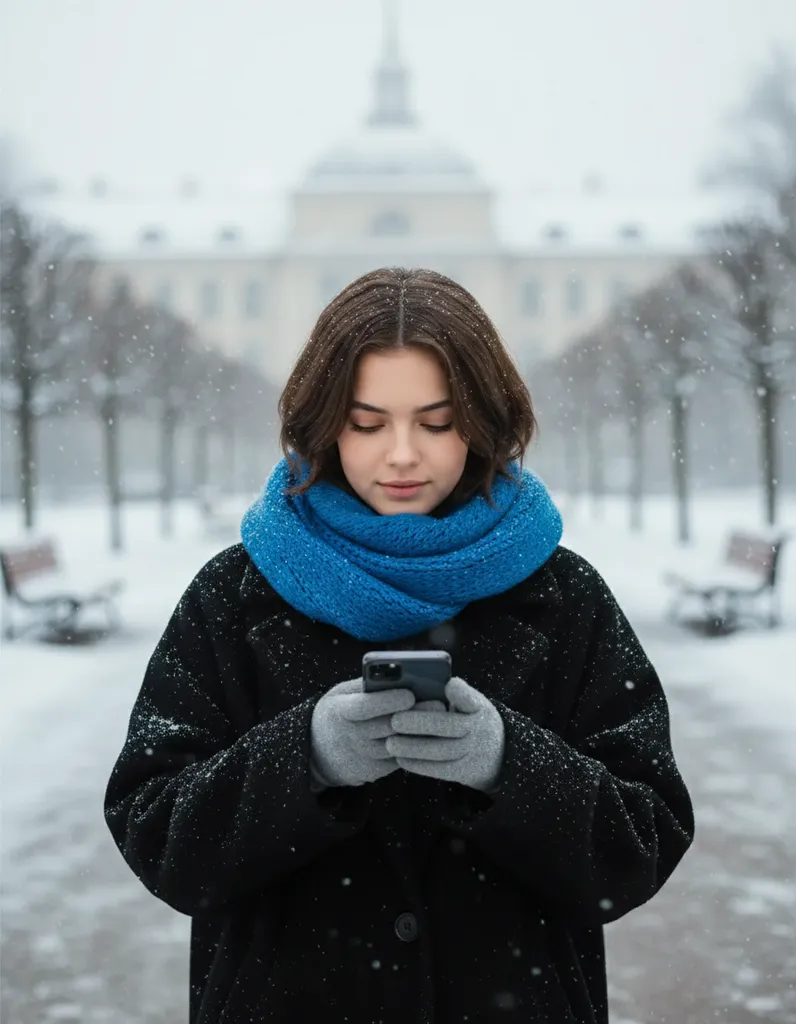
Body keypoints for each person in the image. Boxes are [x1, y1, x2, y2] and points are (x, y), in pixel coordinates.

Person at [104, 267, 694, 1024]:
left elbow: (643, 843)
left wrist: (507, 764)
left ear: (484, 419)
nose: (403, 455)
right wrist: (305, 758)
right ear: (323, 423)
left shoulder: (564, 595)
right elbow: (157, 835)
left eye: (438, 422)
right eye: (368, 422)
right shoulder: (235, 593)